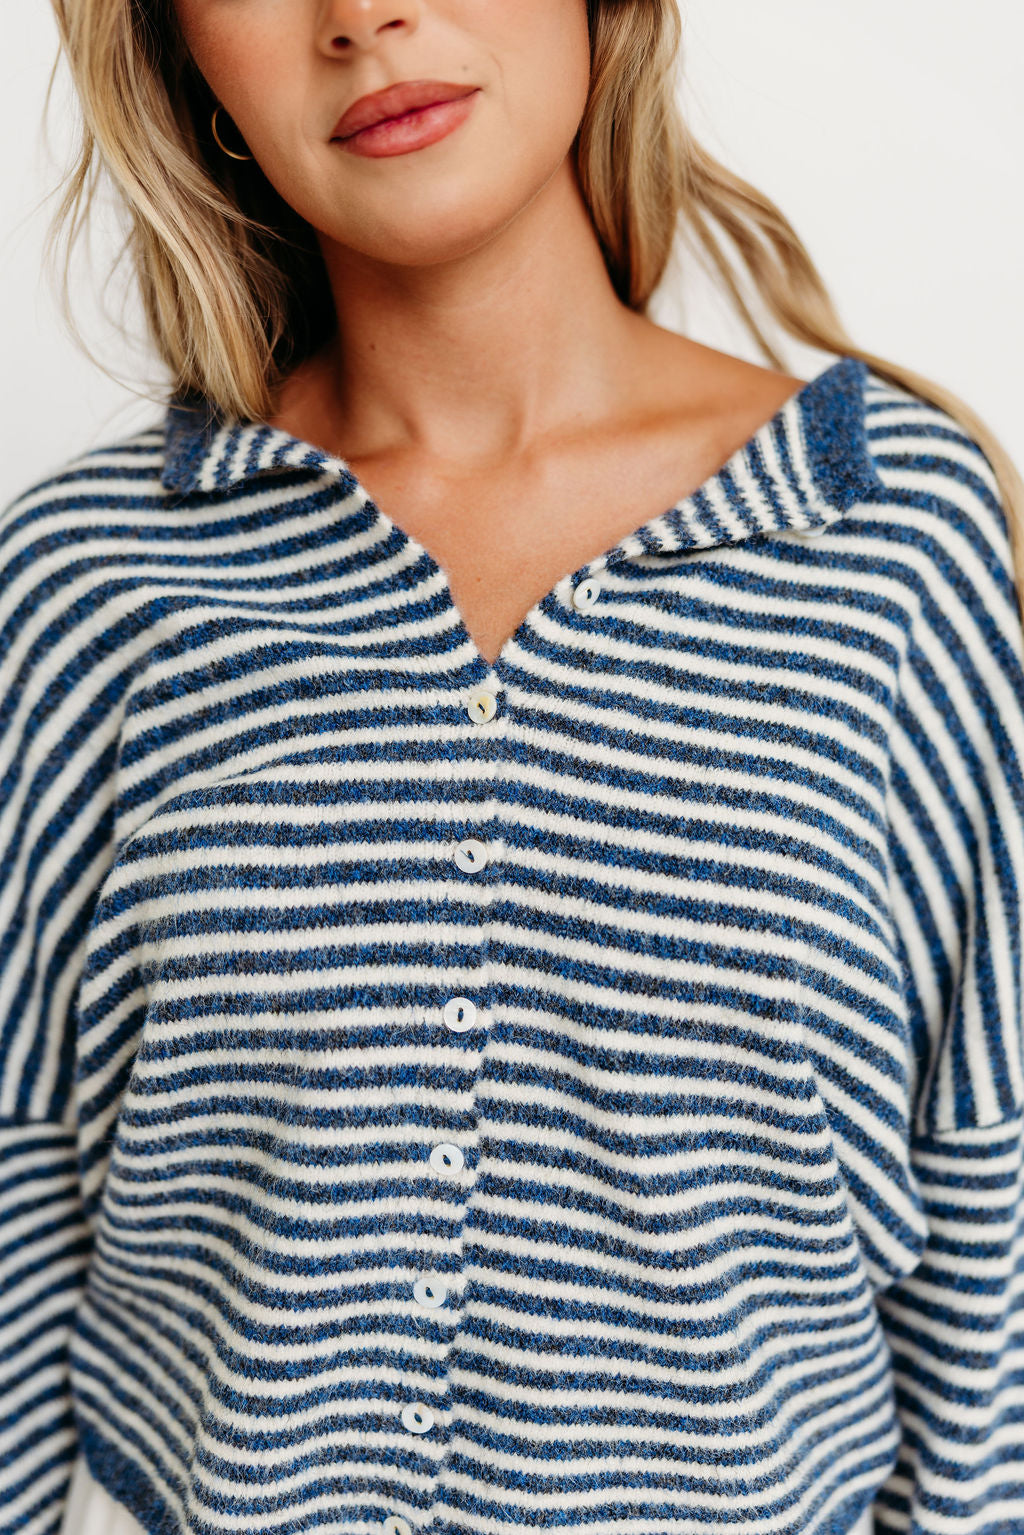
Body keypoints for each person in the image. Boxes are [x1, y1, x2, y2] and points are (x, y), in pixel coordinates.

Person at [2, 2, 1023, 1534]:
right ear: (185, 62)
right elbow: (14, 1181)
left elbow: (990, 1188)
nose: (364, 17)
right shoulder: (90, 575)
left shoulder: (889, 533)